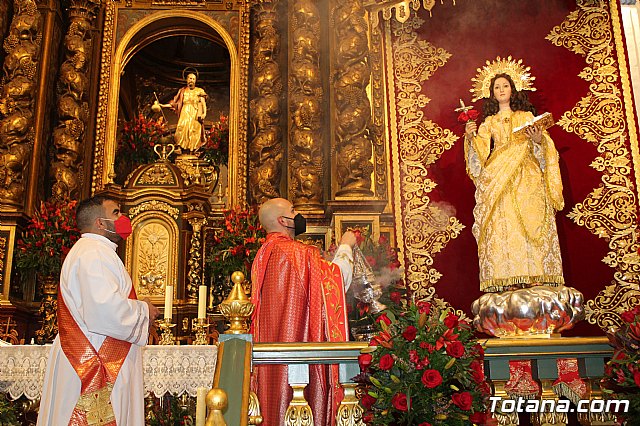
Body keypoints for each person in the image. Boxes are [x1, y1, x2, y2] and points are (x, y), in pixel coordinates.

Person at [37, 195, 160, 425]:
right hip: (94, 357)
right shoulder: (93, 253)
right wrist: (144, 310)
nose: (124, 218)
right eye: (116, 213)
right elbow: (105, 310)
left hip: (97, 350)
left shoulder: (95, 252)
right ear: (100, 223)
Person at [250, 198, 357, 426]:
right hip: (298, 351)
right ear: (282, 220)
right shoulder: (297, 253)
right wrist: (346, 246)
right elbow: (335, 280)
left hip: (271, 354)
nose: (298, 214)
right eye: (293, 211)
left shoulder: (263, 253)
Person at [464, 71, 565, 293]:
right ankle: (508, 277)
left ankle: (535, 276)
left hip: (527, 177)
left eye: (505, 86)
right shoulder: (489, 122)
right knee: (504, 223)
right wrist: (470, 136)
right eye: (497, 87)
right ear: (491, 93)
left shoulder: (526, 116)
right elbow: (480, 154)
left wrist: (538, 140)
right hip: (499, 176)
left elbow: (543, 149)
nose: (501, 90)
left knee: (532, 220)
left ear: (513, 89)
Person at [161, 71, 207, 152]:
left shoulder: (199, 91)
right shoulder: (182, 91)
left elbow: (203, 104)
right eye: (190, 78)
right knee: (181, 128)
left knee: (194, 130)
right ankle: (180, 147)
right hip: (185, 112)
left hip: (195, 113)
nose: (191, 80)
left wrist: (204, 113)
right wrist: (163, 105)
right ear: (187, 79)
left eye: (193, 79)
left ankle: (192, 150)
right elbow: (175, 104)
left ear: (195, 80)